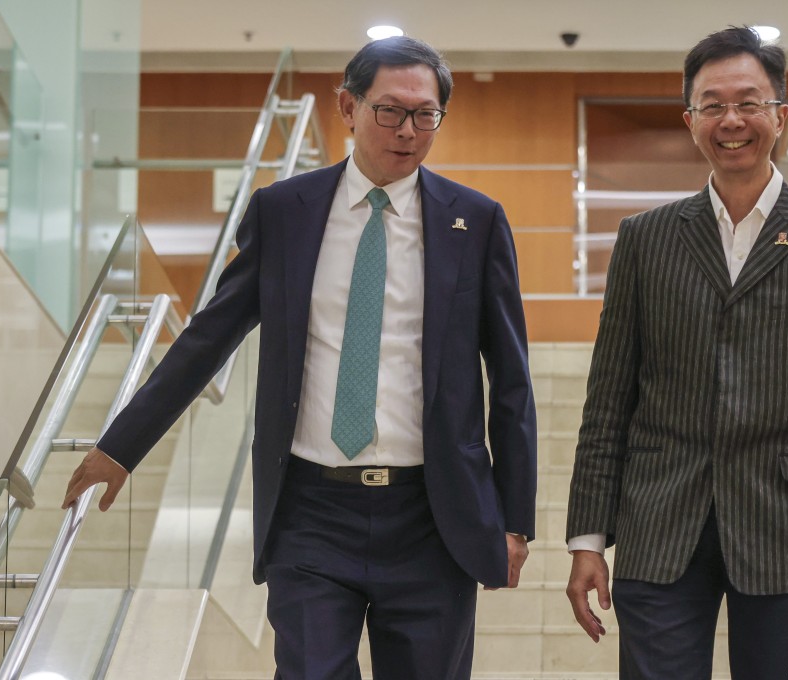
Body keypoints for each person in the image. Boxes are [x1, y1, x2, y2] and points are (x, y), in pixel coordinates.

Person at [63, 36, 537, 680]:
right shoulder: (285, 211)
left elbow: (511, 381)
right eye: (390, 110)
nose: (407, 130)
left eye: (425, 115)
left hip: (434, 517)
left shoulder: (475, 221)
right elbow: (210, 336)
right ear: (348, 106)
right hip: (312, 512)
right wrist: (122, 446)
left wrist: (514, 520)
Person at [564, 26, 788, 680]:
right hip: (660, 525)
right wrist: (587, 538)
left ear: (780, 116)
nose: (731, 120)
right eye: (713, 105)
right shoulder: (645, 240)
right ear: (690, 121)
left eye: (749, 103)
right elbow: (608, 398)